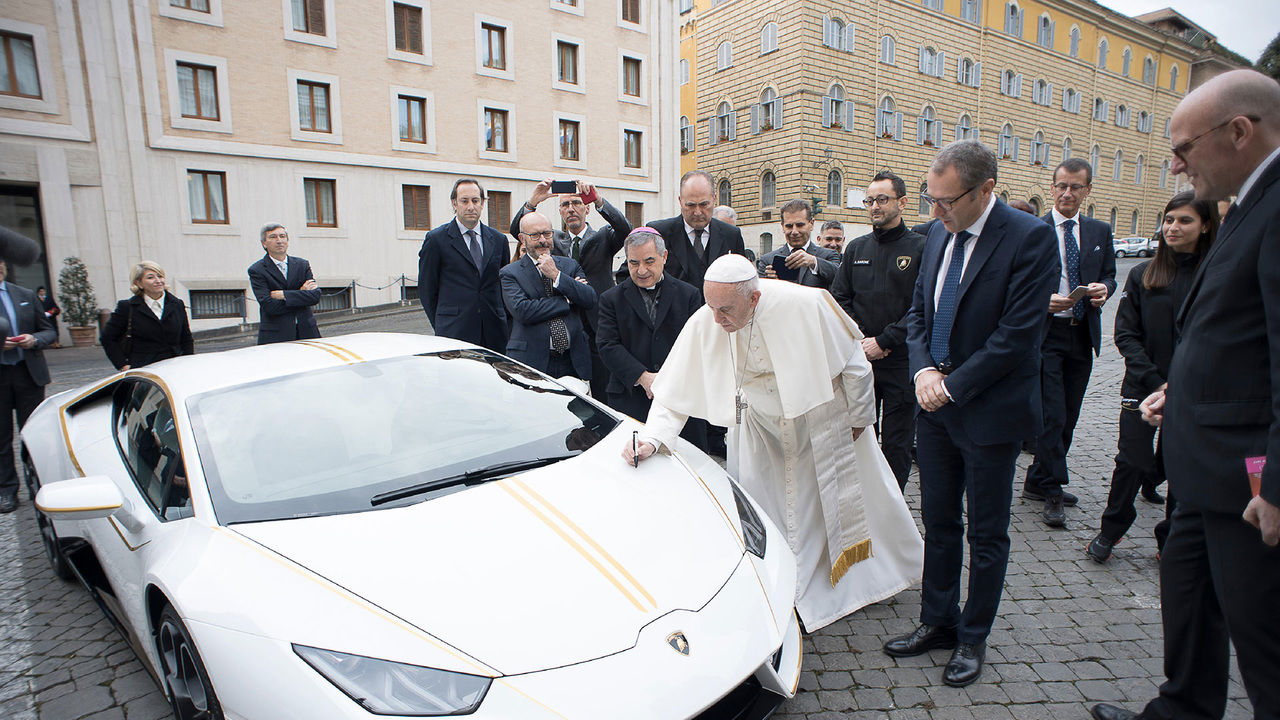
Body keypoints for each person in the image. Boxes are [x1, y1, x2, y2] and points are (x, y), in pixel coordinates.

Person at [1092, 68, 1280, 720]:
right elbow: (1239, 339)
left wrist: (1275, 486)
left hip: (1248, 482)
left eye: (1184, 148)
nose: (1174, 166)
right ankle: (1181, 708)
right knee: (1190, 602)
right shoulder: (1246, 209)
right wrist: (1181, 390)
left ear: (1239, 131)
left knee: (1266, 650)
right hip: (1200, 476)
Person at [623, 254, 923, 632]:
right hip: (759, 428)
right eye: (711, 307)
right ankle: (781, 586)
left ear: (754, 298)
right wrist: (652, 438)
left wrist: (859, 420)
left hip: (819, 421)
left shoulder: (808, 305)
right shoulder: (711, 317)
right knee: (766, 510)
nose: (717, 321)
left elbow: (856, 367)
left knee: (825, 508)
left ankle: (858, 583)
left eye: (725, 310)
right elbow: (673, 390)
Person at [889, 140, 1058, 688]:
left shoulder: (1030, 238)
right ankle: (937, 620)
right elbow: (917, 315)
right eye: (929, 199)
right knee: (939, 522)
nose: (934, 212)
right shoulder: (937, 233)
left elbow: (1017, 336)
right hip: (934, 409)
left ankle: (971, 637)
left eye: (946, 201)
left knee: (986, 535)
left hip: (988, 414)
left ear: (987, 189)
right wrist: (922, 374)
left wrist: (951, 385)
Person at [1085, 192, 1218, 564]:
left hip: (1195, 390)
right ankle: (1111, 529)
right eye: (1169, 220)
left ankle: (1170, 537)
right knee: (1132, 462)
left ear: (1205, 225)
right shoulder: (1145, 274)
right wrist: (1157, 381)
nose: (1173, 227)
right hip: (1143, 387)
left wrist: (1181, 384)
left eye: (1185, 221)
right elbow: (1126, 334)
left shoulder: (1217, 273)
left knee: (1178, 466)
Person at [1023, 158, 1116, 528]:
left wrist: (1104, 288)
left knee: (1070, 416)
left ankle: (1036, 478)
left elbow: (1109, 273)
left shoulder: (1099, 231)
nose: (1067, 193)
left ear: (1087, 190)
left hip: (1082, 332)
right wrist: (1042, 300)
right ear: (1052, 187)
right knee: (1052, 414)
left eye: (1075, 187)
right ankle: (1053, 489)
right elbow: (1018, 283)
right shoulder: (1033, 230)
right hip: (1046, 334)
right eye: (1061, 185)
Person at [831, 172, 926, 490]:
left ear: (902, 202)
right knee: (860, 436)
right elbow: (840, 299)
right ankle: (865, 499)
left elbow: (921, 307)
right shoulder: (856, 249)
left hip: (901, 362)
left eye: (882, 199)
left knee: (897, 445)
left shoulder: (920, 248)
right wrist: (864, 339)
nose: (874, 206)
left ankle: (893, 504)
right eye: (869, 200)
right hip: (861, 361)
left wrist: (885, 340)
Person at [510, 180, 632, 397]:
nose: (571, 209)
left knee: (603, 386)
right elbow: (519, 230)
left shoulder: (604, 236)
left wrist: (598, 199)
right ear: (559, 211)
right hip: (565, 321)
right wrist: (533, 201)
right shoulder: (551, 238)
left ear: (586, 208)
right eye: (565, 205)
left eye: (576, 203)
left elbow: (625, 229)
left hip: (598, 321)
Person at [595, 228, 706, 450]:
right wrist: (643, 377)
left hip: (680, 397)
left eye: (649, 261)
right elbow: (607, 345)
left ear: (664, 257)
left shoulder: (689, 294)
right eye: (634, 263)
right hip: (630, 398)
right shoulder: (611, 299)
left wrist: (666, 380)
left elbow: (696, 345)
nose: (641, 270)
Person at [499, 211, 596, 380]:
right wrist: (567, 299)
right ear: (522, 239)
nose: (543, 240)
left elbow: (589, 298)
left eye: (547, 233)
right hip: (531, 361)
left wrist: (557, 275)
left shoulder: (569, 265)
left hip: (572, 361)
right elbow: (523, 311)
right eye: (535, 235)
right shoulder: (510, 273)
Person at [419, 178, 510, 352]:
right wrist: (442, 323)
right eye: (464, 201)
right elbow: (427, 290)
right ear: (454, 203)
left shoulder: (498, 240)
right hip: (454, 332)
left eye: (475, 201)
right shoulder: (436, 240)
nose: (470, 207)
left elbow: (503, 285)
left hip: (494, 332)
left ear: (482, 204)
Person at [0, 259, 57, 513]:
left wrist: (34, 339)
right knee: (1, 438)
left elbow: (48, 331)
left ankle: (39, 485)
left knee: (33, 433)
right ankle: (6, 491)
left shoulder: (24, 295)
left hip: (28, 375)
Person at [647, 170, 746, 295]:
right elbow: (630, 275)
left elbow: (744, 280)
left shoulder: (731, 235)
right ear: (680, 201)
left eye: (704, 204)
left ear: (714, 199)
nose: (698, 212)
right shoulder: (659, 233)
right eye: (691, 205)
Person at [100, 261, 195, 370]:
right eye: (151, 277)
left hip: (174, 367)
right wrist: (123, 365)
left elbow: (186, 338)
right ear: (139, 283)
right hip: (144, 370)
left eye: (160, 276)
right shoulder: (127, 307)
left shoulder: (177, 304)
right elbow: (107, 338)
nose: (158, 281)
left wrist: (187, 362)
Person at [247, 223, 321, 345]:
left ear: (287, 240)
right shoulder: (257, 270)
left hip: (308, 333)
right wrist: (301, 295)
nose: (279, 241)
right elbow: (269, 306)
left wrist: (283, 295)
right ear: (264, 243)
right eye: (273, 237)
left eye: (282, 236)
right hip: (276, 337)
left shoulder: (302, 265)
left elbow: (315, 296)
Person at [756, 199, 840, 289]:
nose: (794, 231)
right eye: (789, 226)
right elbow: (761, 296)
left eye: (800, 225)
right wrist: (770, 283)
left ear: (811, 224)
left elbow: (838, 278)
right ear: (782, 227)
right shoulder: (768, 260)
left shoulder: (828, 255)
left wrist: (813, 262)